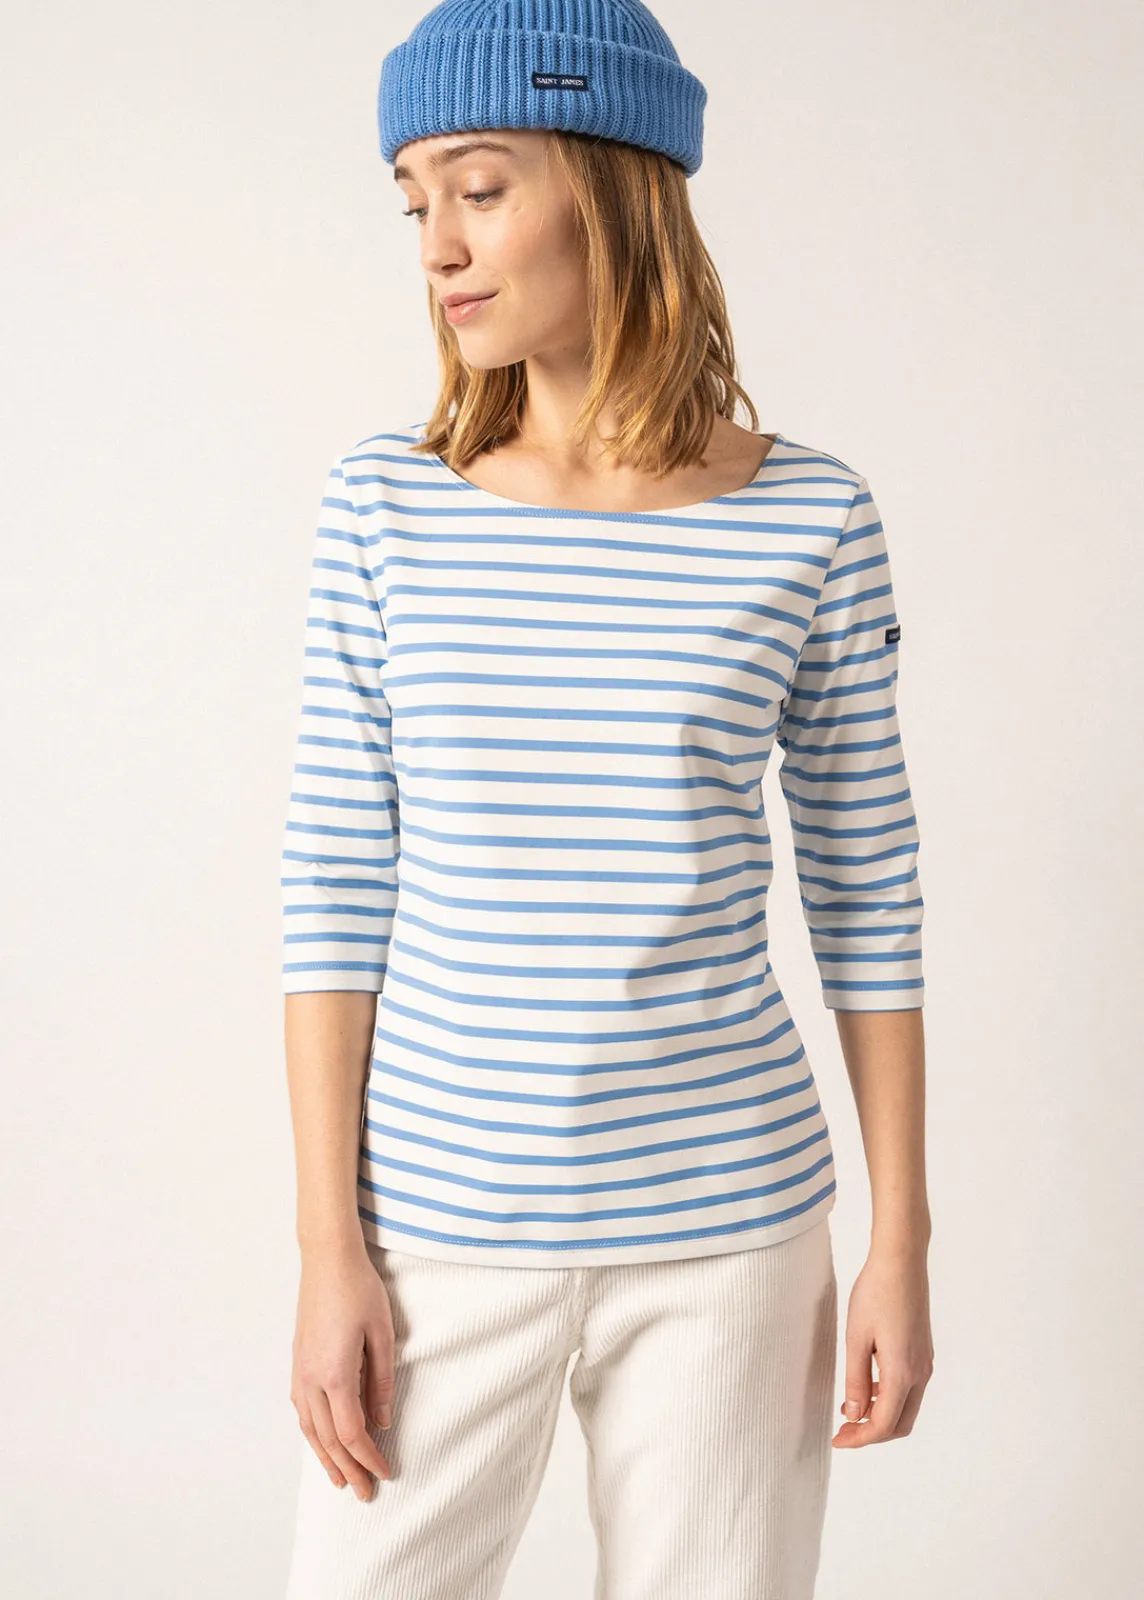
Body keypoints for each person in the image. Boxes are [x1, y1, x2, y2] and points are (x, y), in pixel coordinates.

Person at [279, 2, 934, 1595]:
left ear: (618, 181)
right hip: (436, 1228)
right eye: (414, 200)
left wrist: (900, 1242)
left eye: (480, 185)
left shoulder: (811, 519)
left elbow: (868, 894)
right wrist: (326, 1250)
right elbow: (333, 890)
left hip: (732, 1234)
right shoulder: (384, 507)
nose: (438, 243)